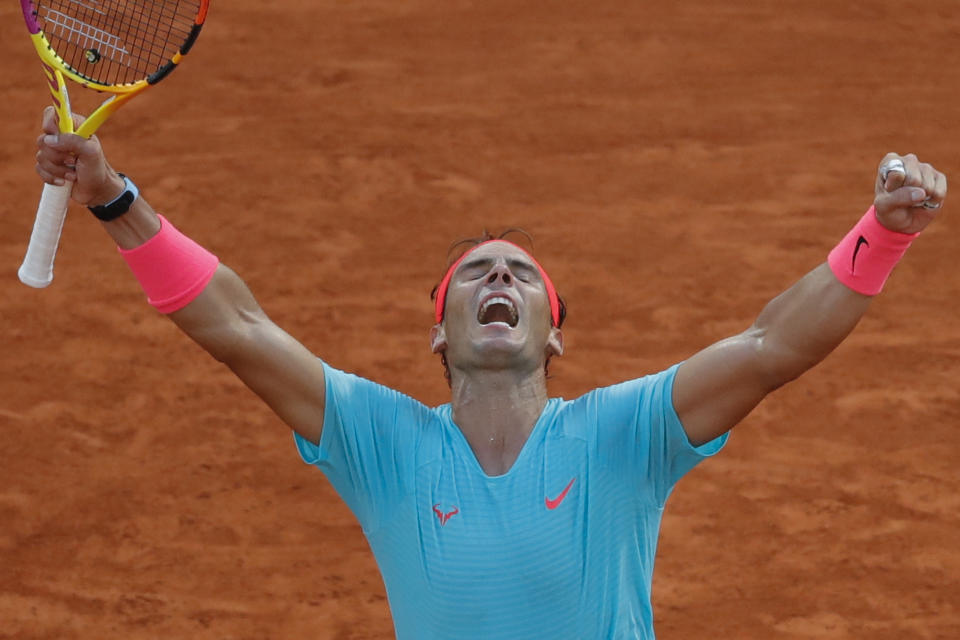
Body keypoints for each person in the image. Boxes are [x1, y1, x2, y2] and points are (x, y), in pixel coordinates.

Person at [33, 105, 947, 639]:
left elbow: (768, 347)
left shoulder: (620, 437)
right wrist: (114, 199)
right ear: (440, 336)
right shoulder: (380, 443)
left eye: (519, 274)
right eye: (475, 272)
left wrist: (884, 235)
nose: (499, 277)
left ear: (554, 336)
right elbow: (236, 323)